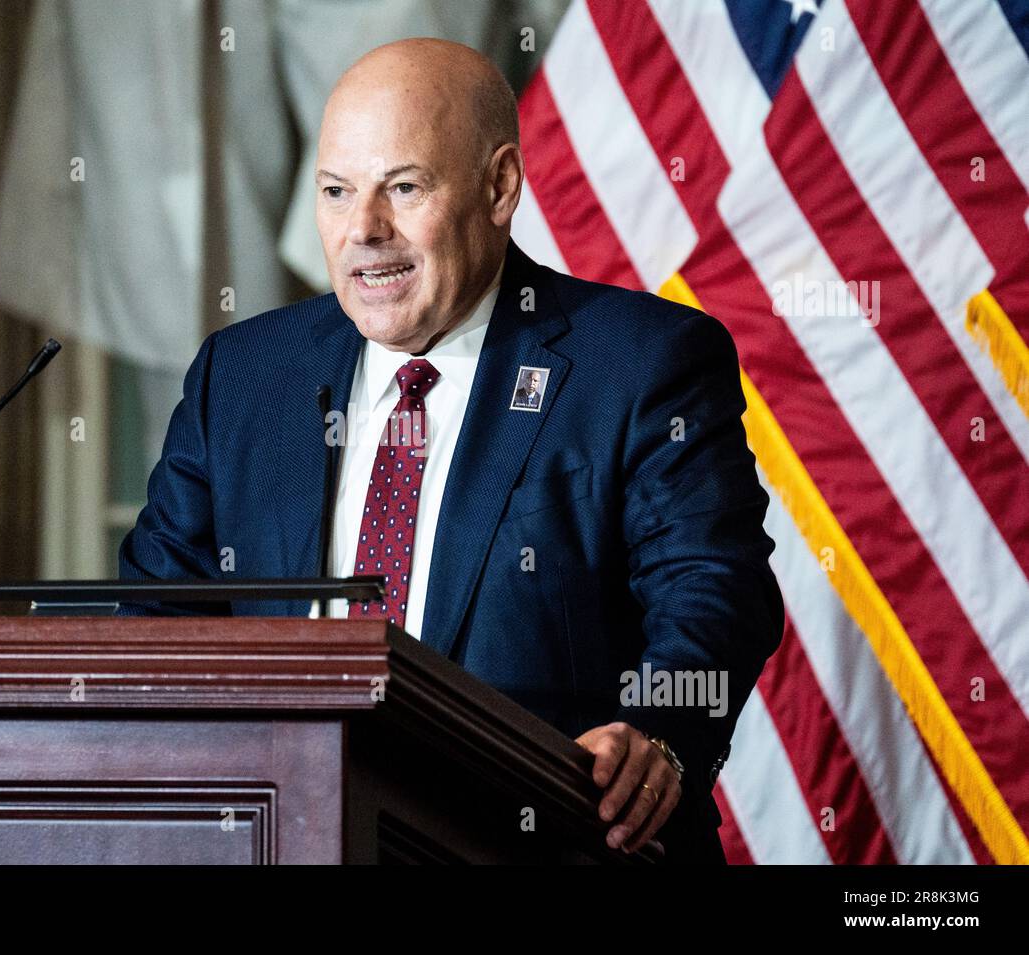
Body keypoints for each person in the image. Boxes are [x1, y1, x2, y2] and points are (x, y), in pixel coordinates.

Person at [119, 38, 784, 863]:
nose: (364, 229)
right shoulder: (245, 376)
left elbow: (714, 592)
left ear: (499, 185)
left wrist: (659, 735)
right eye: (335, 191)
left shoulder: (640, 363)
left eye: (403, 187)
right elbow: (153, 621)